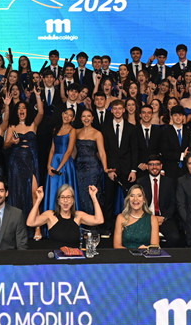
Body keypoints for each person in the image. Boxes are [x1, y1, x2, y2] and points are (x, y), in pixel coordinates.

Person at [4, 95, 45, 216]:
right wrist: (12, 142)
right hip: (16, 162)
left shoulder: (33, 124)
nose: (21, 110)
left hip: (31, 161)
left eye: (24, 108)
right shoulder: (12, 126)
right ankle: (18, 223)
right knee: (17, 192)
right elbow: (5, 145)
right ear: (16, 112)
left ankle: (36, 223)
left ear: (27, 111)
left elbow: (41, 113)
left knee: (34, 193)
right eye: (19, 108)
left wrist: (37, 95)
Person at [27, 184, 103, 248]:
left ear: (73, 200)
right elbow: (30, 222)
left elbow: (99, 220)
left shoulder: (78, 215)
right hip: (55, 257)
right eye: (62, 197)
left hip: (74, 257)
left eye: (68, 197)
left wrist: (94, 197)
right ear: (58, 201)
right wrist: (38, 200)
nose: (65, 200)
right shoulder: (50, 215)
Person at [101, 99, 137, 229]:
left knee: (130, 198)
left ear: (123, 110)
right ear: (111, 110)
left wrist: (133, 170)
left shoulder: (131, 128)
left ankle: (130, 225)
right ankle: (109, 227)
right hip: (111, 169)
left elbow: (134, 150)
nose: (117, 111)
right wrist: (108, 169)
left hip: (127, 169)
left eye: (120, 108)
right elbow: (103, 150)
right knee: (109, 198)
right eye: (115, 108)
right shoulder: (105, 128)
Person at [137, 155, 181, 247]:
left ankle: (164, 256)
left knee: (175, 238)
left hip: (164, 219)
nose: (154, 167)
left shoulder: (169, 182)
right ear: (147, 166)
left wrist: (163, 217)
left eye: (157, 164)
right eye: (151, 164)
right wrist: (149, 218)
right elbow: (137, 204)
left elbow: (173, 203)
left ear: (161, 166)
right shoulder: (140, 182)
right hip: (146, 219)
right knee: (141, 238)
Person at [74, 108, 108, 227]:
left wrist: (105, 168)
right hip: (79, 168)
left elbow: (102, 152)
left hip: (93, 168)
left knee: (91, 195)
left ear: (93, 118)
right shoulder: (76, 132)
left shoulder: (97, 133)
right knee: (80, 195)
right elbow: (73, 151)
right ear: (80, 118)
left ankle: (93, 226)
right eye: (84, 116)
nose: (86, 118)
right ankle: (82, 226)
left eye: (89, 116)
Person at [45, 108, 78, 215]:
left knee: (65, 189)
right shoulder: (56, 129)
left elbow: (69, 151)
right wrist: (49, 166)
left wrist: (58, 169)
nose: (67, 116)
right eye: (66, 113)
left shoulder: (72, 130)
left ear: (73, 118)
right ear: (62, 114)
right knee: (53, 189)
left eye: (70, 115)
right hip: (54, 162)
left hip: (65, 163)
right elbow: (52, 149)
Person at [113, 185, 160, 249]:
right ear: (128, 199)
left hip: (145, 254)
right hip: (125, 254)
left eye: (139, 196)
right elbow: (117, 246)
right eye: (132, 196)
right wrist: (134, 252)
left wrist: (144, 250)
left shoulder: (153, 219)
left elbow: (155, 247)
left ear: (144, 199)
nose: (135, 199)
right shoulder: (121, 218)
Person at [160, 106, 191, 178]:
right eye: (175, 115)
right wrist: (181, 155)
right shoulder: (165, 132)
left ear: (183, 117)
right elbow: (164, 152)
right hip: (171, 169)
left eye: (180, 115)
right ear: (171, 117)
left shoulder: (189, 132)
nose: (178, 117)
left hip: (186, 169)